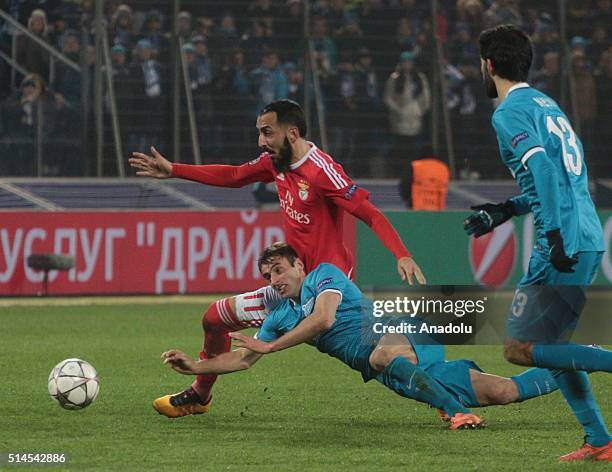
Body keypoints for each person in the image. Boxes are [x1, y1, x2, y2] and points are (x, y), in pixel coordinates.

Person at [129, 100, 426, 417]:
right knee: (215, 318)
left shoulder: (322, 172)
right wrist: (175, 170)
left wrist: (402, 254)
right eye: (259, 133)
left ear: (292, 133)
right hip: (289, 286)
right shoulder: (277, 162)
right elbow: (235, 175)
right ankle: (199, 396)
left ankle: (441, 388)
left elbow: (370, 214)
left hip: (327, 290)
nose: (261, 141)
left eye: (267, 132)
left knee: (374, 358)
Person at [161, 242, 559, 429]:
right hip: (391, 365)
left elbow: (324, 320)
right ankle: (574, 362)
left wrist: (271, 345)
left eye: (280, 270)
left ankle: (455, 412)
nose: (274, 280)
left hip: (403, 327)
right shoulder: (280, 315)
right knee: (505, 391)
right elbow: (243, 359)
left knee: (381, 356)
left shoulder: (325, 275)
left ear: (298, 265)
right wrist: (196, 366)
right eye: (267, 276)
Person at [463, 24, 612, 462]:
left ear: (489, 66)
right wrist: (507, 209)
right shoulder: (548, 106)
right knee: (556, 349)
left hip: (561, 241)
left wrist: (552, 236)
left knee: (518, 349)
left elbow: (545, 172)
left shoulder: (508, 112)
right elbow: (561, 177)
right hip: (584, 233)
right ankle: (600, 440)